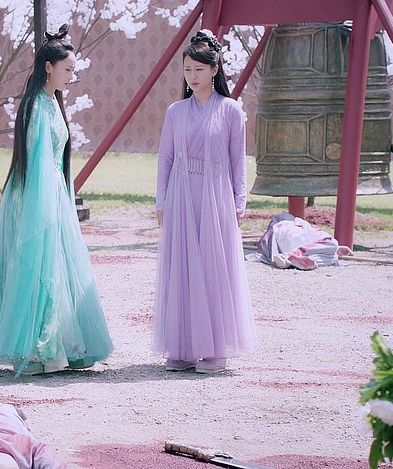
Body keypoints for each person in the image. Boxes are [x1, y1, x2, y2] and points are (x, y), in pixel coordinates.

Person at [0, 24, 113, 377]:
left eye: (73, 70)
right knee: (37, 267)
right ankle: (34, 349)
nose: (71, 76)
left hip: (53, 193)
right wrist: (45, 206)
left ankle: (61, 346)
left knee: (57, 268)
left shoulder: (52, 102)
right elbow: (35, 162)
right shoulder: (35, 105)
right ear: (48, 67)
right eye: (67, 69)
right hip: (35, 195)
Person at [153, 30, 257, 374]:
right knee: (181, 267)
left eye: (199, 69)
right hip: (181, 195)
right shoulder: (175, 111)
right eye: (187, 70)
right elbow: (166, 158)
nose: (192, 76)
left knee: (214, 269)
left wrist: (239, 203)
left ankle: (213, 349)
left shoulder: (231, 111)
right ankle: (182, 347)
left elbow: (238, 161)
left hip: (217, 197)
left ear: (214, 70)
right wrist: (161, 200)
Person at [251, 212, 354, 270]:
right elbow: (320, 238)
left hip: (283, 247)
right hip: (296, 242)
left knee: (333, 257)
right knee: (332, 244)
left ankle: (290, 260)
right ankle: (294, 255)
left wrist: (336, 250)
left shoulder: (271, 236)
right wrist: (336, 248)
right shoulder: (295, 225)